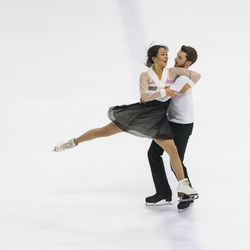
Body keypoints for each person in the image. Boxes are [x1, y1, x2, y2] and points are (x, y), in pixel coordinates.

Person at [53, 45, 201, 201]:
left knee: (173, 152)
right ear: (154, 58)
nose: (169, 57)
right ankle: (73, 142)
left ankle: (183, 186)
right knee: (104, 131)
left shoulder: (174, 72)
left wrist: (183, 88)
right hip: (143, 114)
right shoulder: (146, 75)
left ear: (187, 62)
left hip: (159, 119)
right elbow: (145, 96)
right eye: (164, 54)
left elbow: (196, 75)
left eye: (171, 55)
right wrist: (164, 92)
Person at [146, 45, 199, 210]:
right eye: (176, 56)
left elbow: (164, 96)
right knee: (153, 153)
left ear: (188, 63)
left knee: (176, 161)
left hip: (182, 125)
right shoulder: (175, 74)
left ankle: (187, 194)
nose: (175, 59)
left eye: (180, 58)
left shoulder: (183, 79)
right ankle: (163, 192)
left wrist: (147, 92)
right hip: (170, 122)